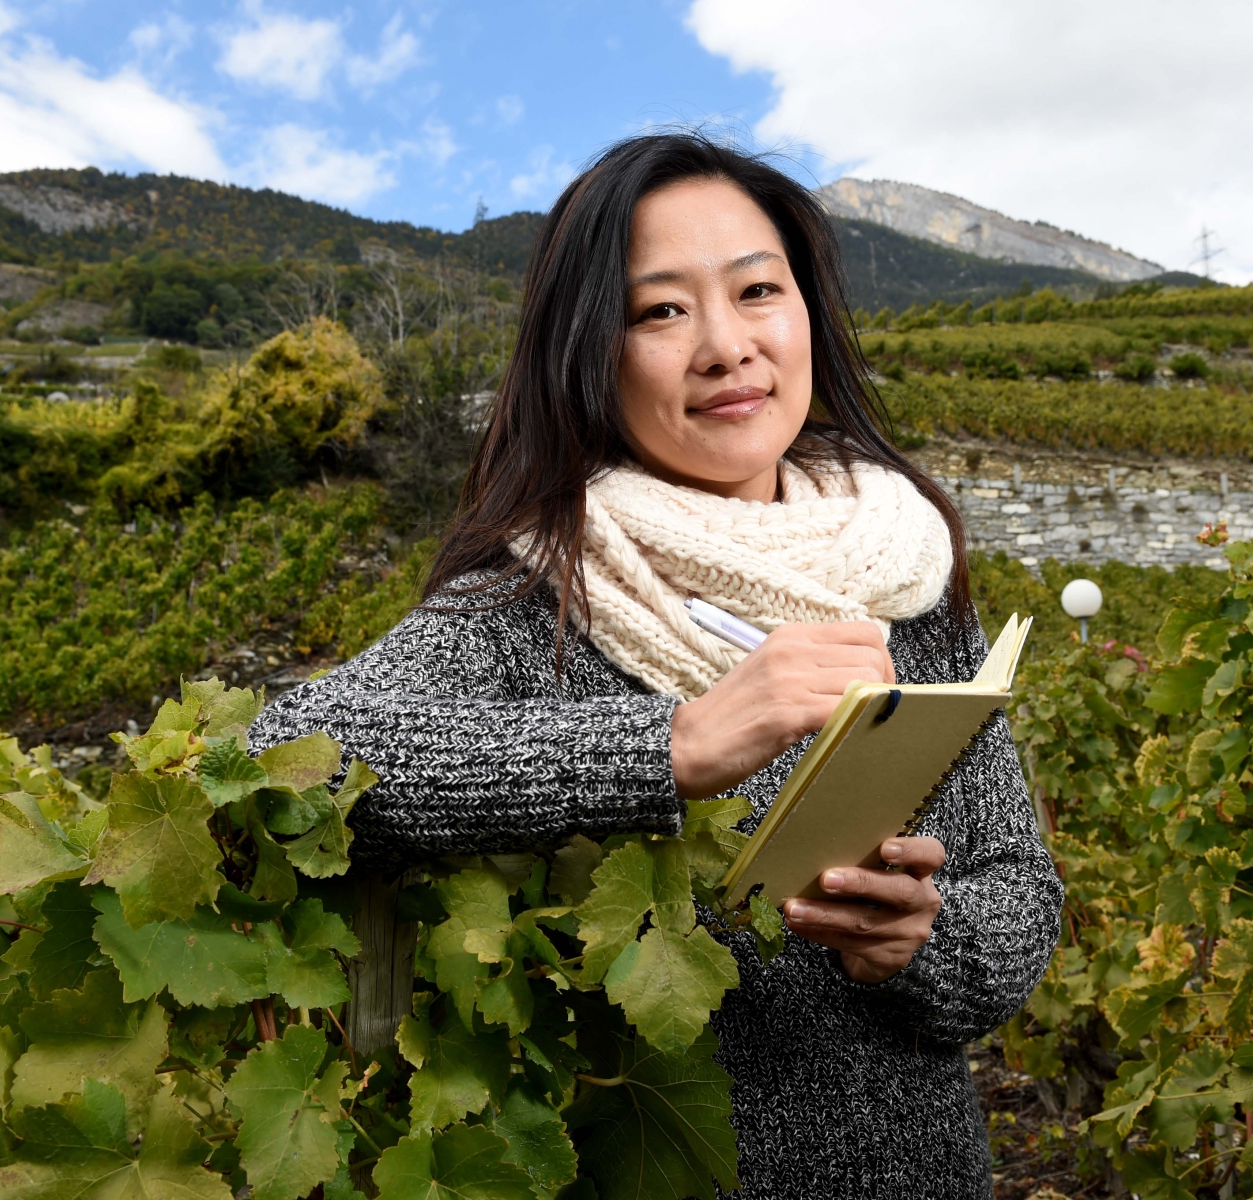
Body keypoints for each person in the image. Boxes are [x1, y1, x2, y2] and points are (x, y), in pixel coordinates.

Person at [249, 131, 1063, 1200]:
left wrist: (918, 940)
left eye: (756, 291)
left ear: (806, 313)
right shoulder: (539, 596)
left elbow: (1018, 895)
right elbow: (293, 758)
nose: (725, 347)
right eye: (659, 310)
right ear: (588, 351)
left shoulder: (904, 574)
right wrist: (669, 746)